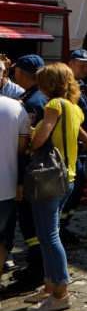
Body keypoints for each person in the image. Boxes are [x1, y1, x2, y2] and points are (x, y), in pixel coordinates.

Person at [23, 63, 87, 311]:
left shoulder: (53, 105)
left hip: (50, 176)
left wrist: (30, 141)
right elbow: (77, 137)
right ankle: (50, 285)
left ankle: (61, 292)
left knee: (49, 236)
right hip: (68, 177)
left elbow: (43, 136)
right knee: (48, 234)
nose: (40, 88)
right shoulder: (74, 107)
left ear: (50, 84)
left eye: (43, 83)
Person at [3, 54, 50, 295]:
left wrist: (19, 182)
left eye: (15, 71)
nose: (13, 75)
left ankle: (36, 273)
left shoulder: (32, 103)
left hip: (31, 173)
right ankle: (37, 269)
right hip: (39, 172)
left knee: (32, 229)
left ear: (22, 73)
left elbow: (25, 148)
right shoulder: (39, 98)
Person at [59, 49, 87, 242]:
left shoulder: (78, 84)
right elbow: (69, 117)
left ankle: (62, 227)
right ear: (70, 64)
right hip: (73, 147)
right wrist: (86, 138)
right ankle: (58, 229)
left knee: (77, 188)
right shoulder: (65, 86)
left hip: (80, 148)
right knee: (71, 188)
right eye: (82, 65)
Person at [0, 90, 30, 285]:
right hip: (6, 186)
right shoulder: (16, 108)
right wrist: (20, 182)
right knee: (1, 239)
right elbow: (22, 150)